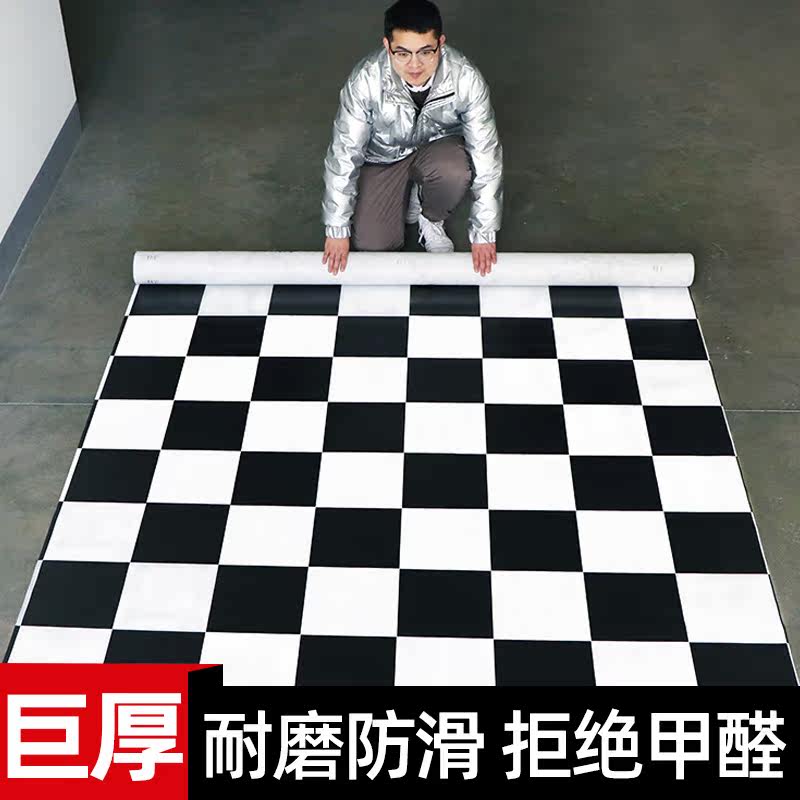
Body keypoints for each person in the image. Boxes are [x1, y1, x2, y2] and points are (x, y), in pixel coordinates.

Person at [320, 0, 503, 277]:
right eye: (402, 53)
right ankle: (409, 191)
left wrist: (484, 232)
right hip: (384, 159)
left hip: (438, 153)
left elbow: (486, 154)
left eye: (426, 52)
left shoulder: (466, 79)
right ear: (387, 46)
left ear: (440, 44)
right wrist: (337, 228)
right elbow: (344, 154)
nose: (415, 65)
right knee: (374, 244)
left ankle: (430, 217)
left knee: (454, 170)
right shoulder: (365, 81)